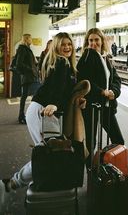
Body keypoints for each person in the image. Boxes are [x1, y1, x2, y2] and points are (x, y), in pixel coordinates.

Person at [0, 32, 90, 200]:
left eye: (69, 44)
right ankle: (10, 184)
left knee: (48, 155)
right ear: (56, 46)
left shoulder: (62, 64)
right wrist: (54, 103)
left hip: (43, 111)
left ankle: (12, 184)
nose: (67, 47)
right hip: (44, 111)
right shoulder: (61, 62)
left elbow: (62, 90)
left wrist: (76, 101)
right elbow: (55, 86)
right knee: (47, 155)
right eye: (63, 44)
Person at [76, 28, 125, 164]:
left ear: (102, 41)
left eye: (96, 40)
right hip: (92, 107)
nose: (93, 43)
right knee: (91, 143)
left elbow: (116, 79)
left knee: (118, 140)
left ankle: (106, 168)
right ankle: (92, 175)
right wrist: (101, 92)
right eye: (90, 40)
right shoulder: (87, 56)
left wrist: (114, 92)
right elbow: (83, 80)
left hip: (107, 107)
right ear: (87, 42)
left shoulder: (106, 58)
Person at [15, 34, 39, 124]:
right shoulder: (22, 49)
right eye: (30, 39)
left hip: (30, 76)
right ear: (27, 39)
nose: (31, 40)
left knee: (27, 96)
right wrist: (30, 69)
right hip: (27, 76)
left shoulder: (27, 48)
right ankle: (22, 116)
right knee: (25, 96)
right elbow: (19, 64)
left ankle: (25, 115)